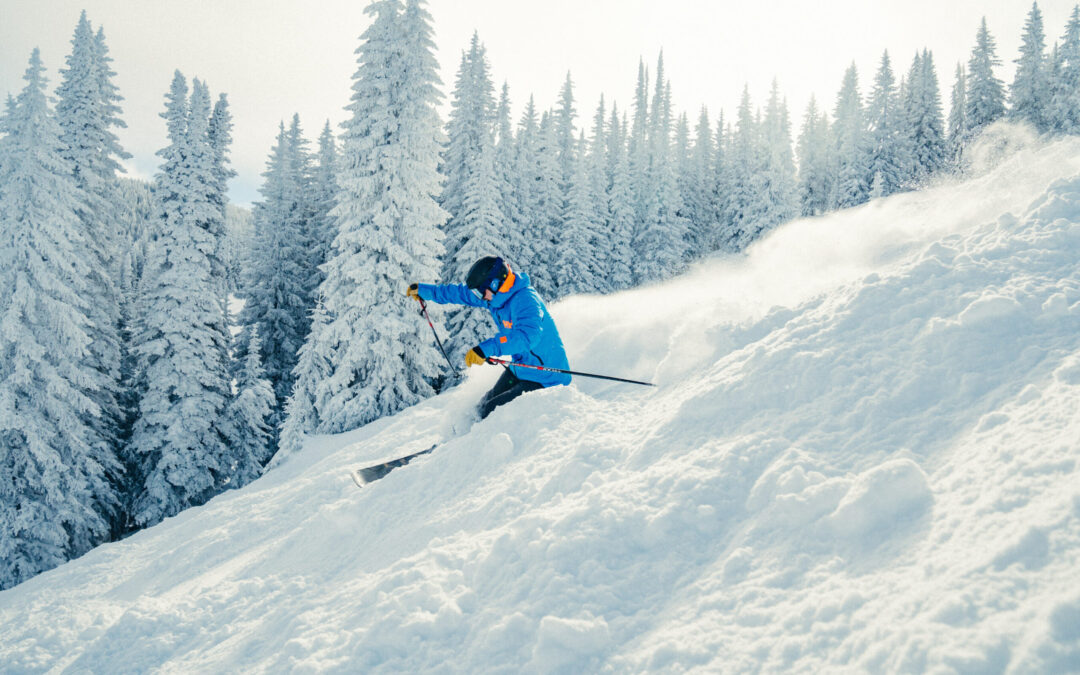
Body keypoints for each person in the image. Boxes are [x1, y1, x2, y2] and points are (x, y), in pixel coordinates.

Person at [407, 256, 570, 419]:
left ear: (495, 282)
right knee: (481, 406)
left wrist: (486, 349)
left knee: (490, 412)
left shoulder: (526, 300)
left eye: (481, 291)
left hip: (547, 377)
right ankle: (460, 441)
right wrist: (425, 291)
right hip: (521, 368)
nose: (480, 297)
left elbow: (527, 337)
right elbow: (460, 293)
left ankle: (485, 442)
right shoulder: (496, 297)